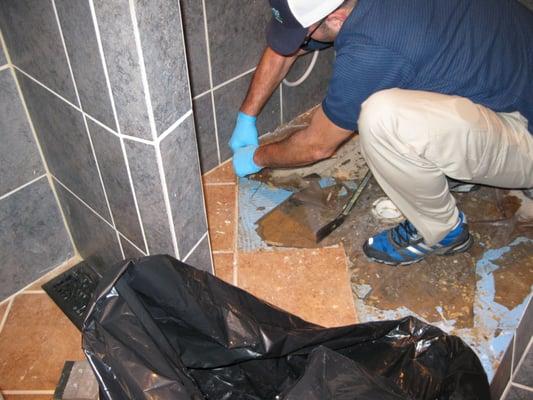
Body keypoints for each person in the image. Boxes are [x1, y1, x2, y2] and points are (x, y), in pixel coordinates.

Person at [228, 0, 533, 266]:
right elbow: (286, 47)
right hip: (511, 75)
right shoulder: (352, 8)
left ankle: (442, 232)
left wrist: (257, 157)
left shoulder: (375, 45)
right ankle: (455, 162)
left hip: (525, 131)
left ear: (336, 18)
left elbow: (316, 146)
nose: (300, 41)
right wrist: (247, 116)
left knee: (382, 118)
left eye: (304, 32)